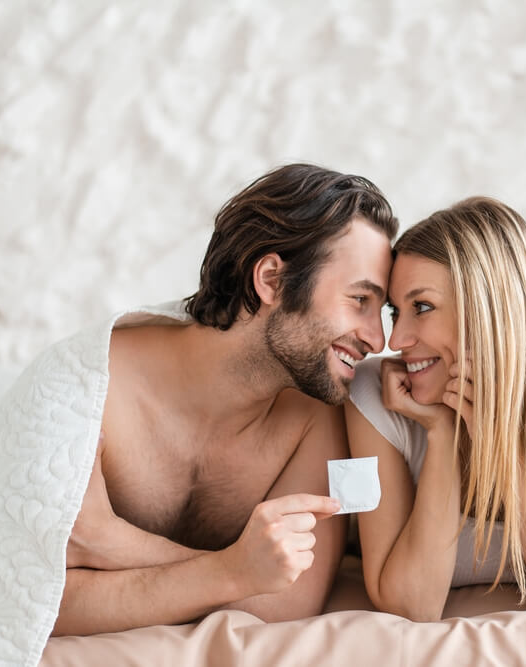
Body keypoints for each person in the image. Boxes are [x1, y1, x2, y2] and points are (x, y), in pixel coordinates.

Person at [53, 164, 398, 635]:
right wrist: (240, 574)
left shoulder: (315, 414)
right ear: (272, 280)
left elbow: (289, 601)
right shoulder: (93, 384)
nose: (378, 339)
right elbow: (46, 599)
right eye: (360, 300)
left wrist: (114, 544)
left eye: (382, 311)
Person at [345, 197, 526, 622]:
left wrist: (496, 434)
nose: (396, 339)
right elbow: (411, 606)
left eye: (421, 307)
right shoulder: (375, 393)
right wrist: (443, 433)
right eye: (395, 311)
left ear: (489, 310)